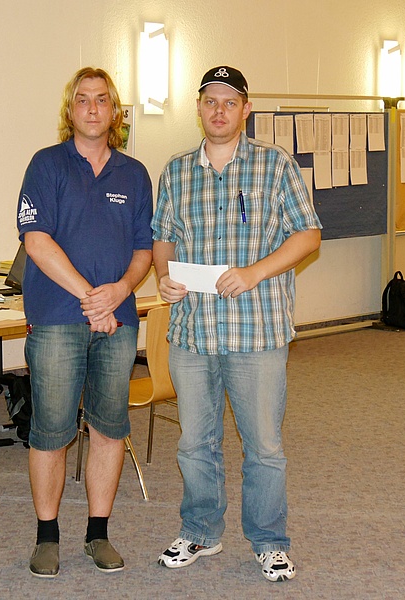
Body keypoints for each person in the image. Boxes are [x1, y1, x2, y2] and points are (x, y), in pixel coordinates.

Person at [152, 66, 322, 582]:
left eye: (230, 102)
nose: (219, 110)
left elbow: (308, 235)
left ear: (246, 110)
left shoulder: (276, 165)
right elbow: (163, 237)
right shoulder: (177, 171)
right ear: (199, 108)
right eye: (211, 101)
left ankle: (269, 541)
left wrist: (254, 273)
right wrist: (164, 277)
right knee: (194, 444)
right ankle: (200, 531)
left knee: (264, 447)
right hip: (193, 334)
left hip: (257, 332)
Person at [16, 67, 153, 578]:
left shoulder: (135, 174)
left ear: (114, 112)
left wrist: (120, 291)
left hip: (118, 321)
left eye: (102, 100)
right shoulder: (46, 165)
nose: (92, 108)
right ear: (69, 110)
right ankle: (47, 536)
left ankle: (98, 533)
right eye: (82, 100)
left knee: (109, 429)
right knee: (51, 431)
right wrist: (92, 299)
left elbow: (144, 250)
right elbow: (37, 241)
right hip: (56, 319)